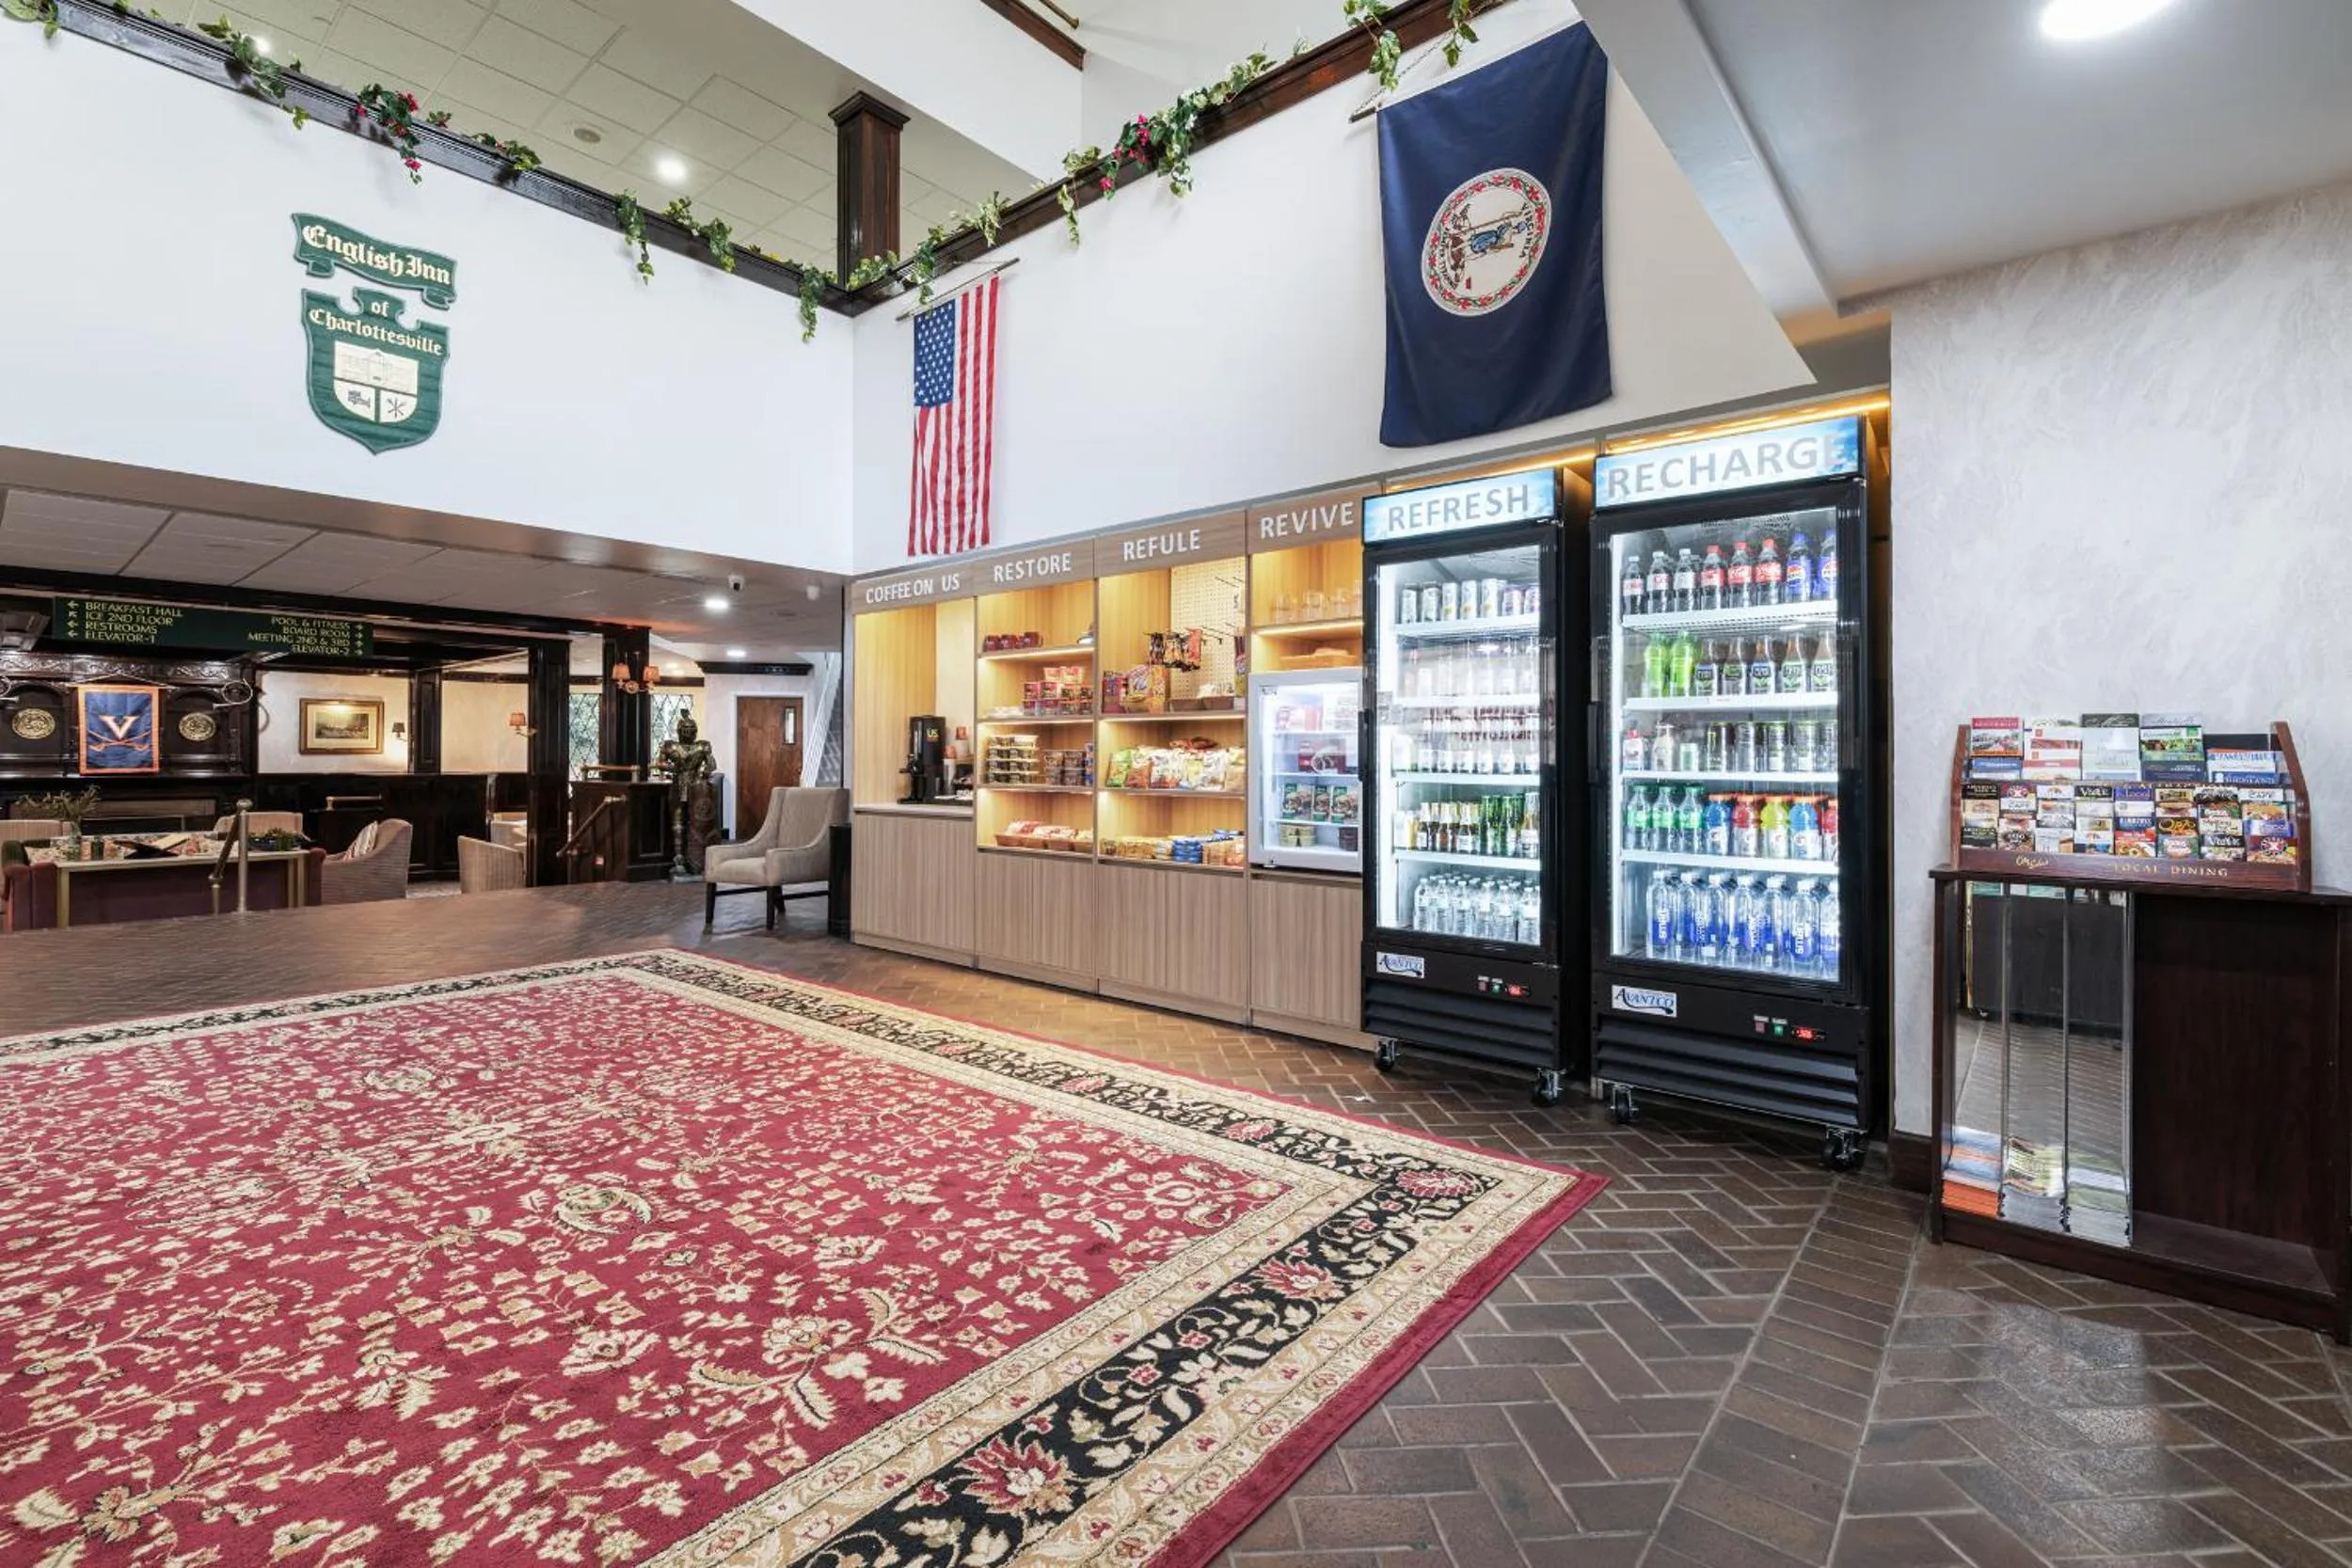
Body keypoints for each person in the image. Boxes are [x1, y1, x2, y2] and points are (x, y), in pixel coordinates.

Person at [653, 713, 721, 873]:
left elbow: (712, 763)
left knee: (698, 822)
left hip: (697, 788)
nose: (688, 732)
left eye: (691, 729)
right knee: (678, 823)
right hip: (678, 785)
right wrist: (671, 767)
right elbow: (660, 763)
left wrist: (705, 769)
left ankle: (697, 860)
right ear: (679, 730)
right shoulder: (670, 746)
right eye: (685, 729)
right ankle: (679, 858)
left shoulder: (702, 746)